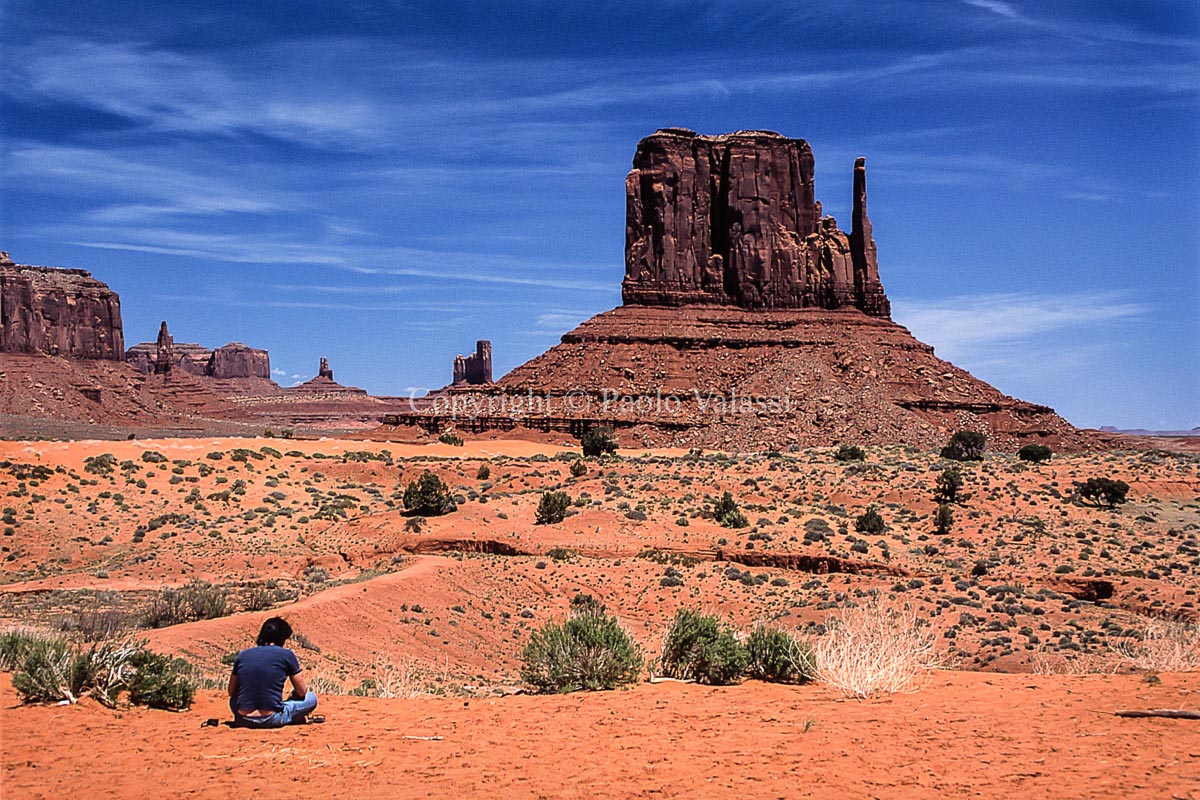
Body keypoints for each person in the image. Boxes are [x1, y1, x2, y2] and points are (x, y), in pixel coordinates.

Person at [228, 617, 318, 728]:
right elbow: (302, 692)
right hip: (272, 718)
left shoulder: (242, 655)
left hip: (243, 719)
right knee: (311, 698)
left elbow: (231, 692)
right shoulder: (287, 655)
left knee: (233, 700)